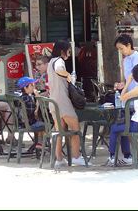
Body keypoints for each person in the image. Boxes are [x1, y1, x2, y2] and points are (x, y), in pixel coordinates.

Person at [47, 40, 86, 168]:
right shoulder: (59, 61)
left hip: (53, 101)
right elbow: (59, 70)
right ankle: (76, 157)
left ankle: (59, 158)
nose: (69, 54)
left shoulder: (50, 62)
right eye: (68, 51)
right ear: (62, 50)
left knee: (60, 131)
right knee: (75, 127)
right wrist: (67, 75)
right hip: (62, 100)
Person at [16, 76, 45, 146]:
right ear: (25, 88)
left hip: (20, 124)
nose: (33, 87)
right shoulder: (28, 99)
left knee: (39, 123)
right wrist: (38, 97)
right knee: (45, 125)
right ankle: (40, 143)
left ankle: (36, 143)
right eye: (31, 85)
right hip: (29, 124)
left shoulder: (21, 97)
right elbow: (35, 113)